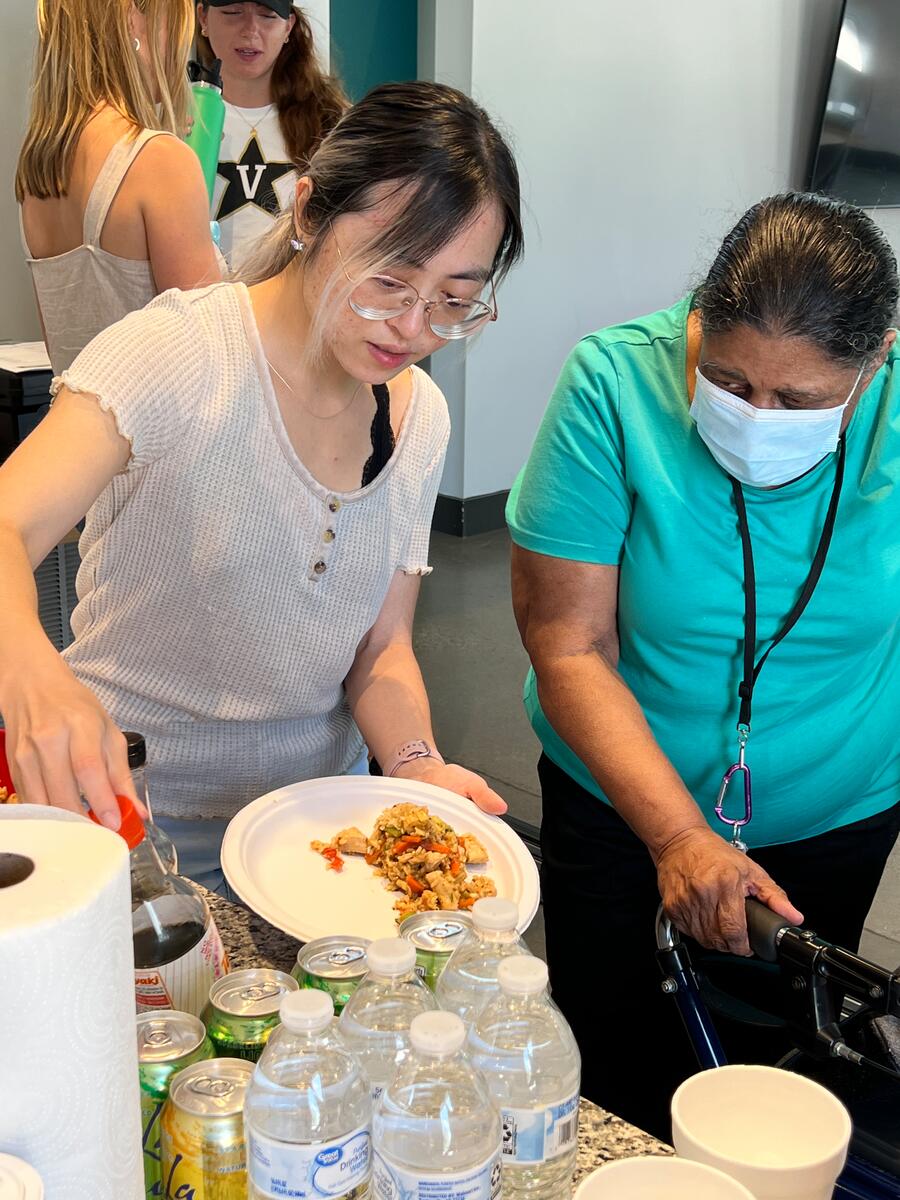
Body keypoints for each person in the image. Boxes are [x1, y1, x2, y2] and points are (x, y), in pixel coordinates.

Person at [0, 81, 523, 894]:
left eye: (454, 300)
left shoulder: (421, 420)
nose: (415, 329)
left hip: (318, 835)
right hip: (134, 822)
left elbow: (381, 648)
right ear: (310, 214)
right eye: (389, 280)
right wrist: (35, 681)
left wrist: (417, 763)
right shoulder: (178, 355)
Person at [507, 192, 900, 1139]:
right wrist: (678, 838)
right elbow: (568, 642)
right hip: (616, 798)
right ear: (696, 324)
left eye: (799, 399)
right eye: (726, 380)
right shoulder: (614, 383)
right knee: (613, 1062)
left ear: (875, 363)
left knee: (780, 1078)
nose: (756, 415)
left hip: (835, 812)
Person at [16, 0, 222, 374]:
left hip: (77, 427)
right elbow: (214, 352)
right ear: (132, 21)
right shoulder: (159, 161)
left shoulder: (38, 176)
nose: (180, 47)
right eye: (173, 25)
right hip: (162, 430)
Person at [196, 0, 346, 269]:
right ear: (203, 18)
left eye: (267, 16)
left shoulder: (330, 122)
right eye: (233, 12)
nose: (250, 30)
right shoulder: (172, 118)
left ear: (288, 27)